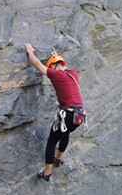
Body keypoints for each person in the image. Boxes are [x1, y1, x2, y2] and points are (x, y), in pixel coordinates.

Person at [25, 44, 86, 181]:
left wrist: (30, 52)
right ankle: (58, 158)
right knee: (66, 132)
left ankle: (47, 173)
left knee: (51, 142)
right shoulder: (73, 73)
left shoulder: (56, 74)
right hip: (79, 116)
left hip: (68, 114)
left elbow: (38, 65)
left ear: (52, 67)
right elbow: (64, 68)